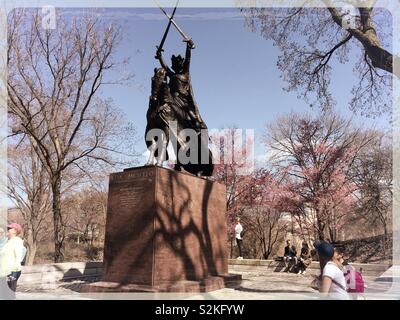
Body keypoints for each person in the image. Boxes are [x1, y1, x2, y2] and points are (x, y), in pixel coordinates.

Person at [0, 223, 25, 293]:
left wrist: (14, 273)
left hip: (12, 271)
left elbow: (19, 256)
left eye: (10, 228)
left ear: (15, 231)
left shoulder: (17, 241)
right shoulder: (8, 242)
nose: (7, 230)